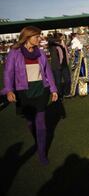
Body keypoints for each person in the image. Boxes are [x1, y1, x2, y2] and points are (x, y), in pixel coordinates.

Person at [1, 26, 58, 165]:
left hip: (41, 90)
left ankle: (42, 153)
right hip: (23, 92)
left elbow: (47, 71)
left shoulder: (41, 52)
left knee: (41, 123)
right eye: (37, 36)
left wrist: (53, 89)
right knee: (30, 122)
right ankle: (38, 139)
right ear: (27, 37)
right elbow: (8, 73)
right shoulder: (15, 52)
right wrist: (9, 90)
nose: (40, 39)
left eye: (40, 36)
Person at [69, 27, 89, 96]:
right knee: (82, 74)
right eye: (81, 35)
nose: (83, 36)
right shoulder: (75, 40)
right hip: (81, 60)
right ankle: (83, 91)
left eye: (84, 34)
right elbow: (72, 50)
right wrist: (80, 48)